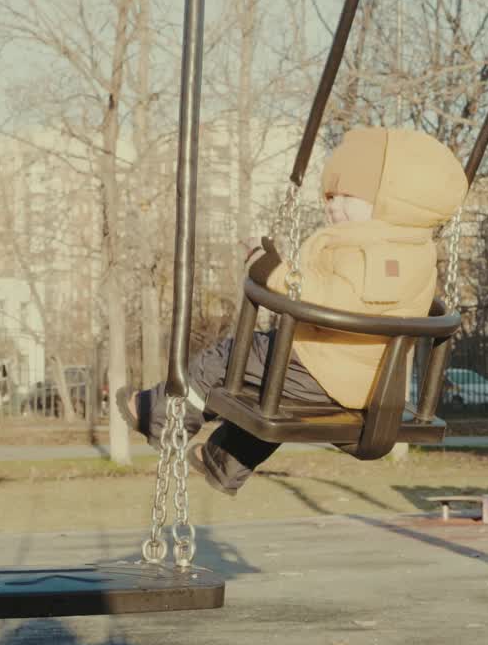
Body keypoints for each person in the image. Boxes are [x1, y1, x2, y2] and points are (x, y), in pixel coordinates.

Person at [120, 126, 468, 495]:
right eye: (330, 196)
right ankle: (224, 460)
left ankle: (162, 417)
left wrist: (273, 272)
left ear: (391, 200)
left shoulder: (381, 255)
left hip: (324, 371)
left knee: (226, 359)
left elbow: (330, 297)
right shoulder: (405, 247)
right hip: (340, 371)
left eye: (347, 195)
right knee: (270, 407)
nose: (333, 206)